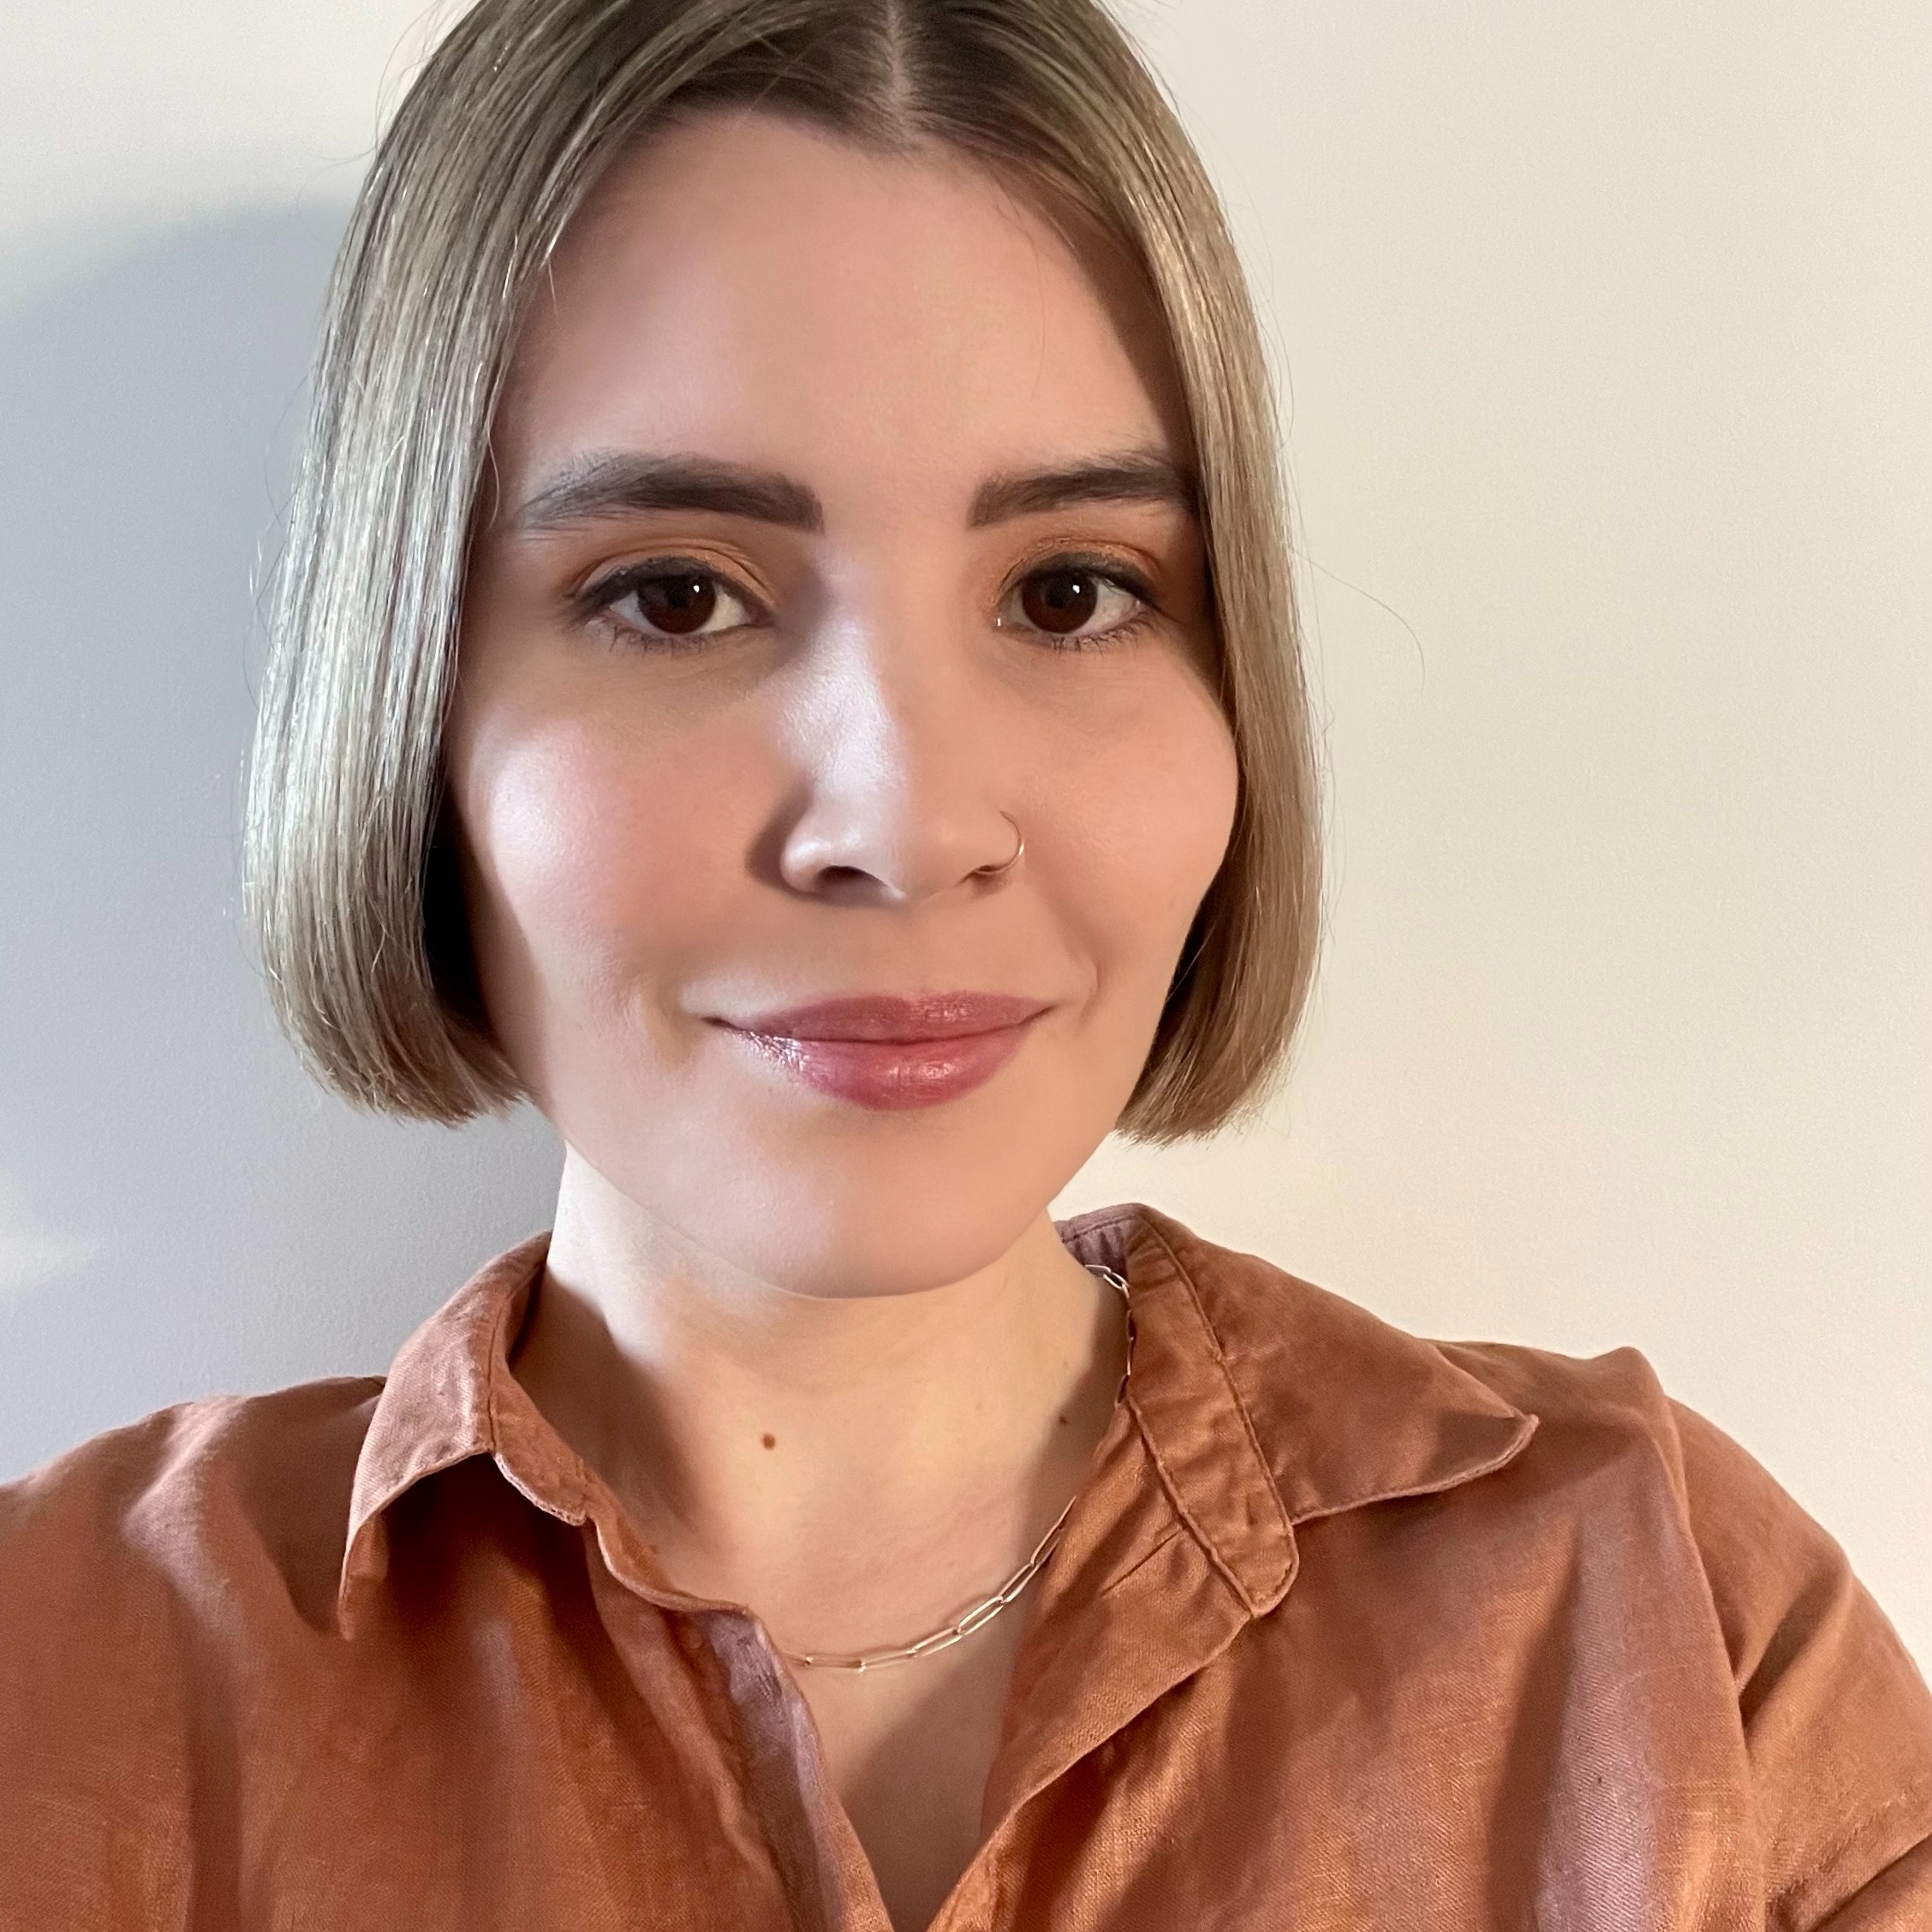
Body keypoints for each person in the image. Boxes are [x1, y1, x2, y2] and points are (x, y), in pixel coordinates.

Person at [2, 1, 1926, 1926]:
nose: (909, 824)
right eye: (676, 597)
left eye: (1072, 591)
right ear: (408, 708)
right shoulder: (68, 1685)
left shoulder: (1678, 1634)